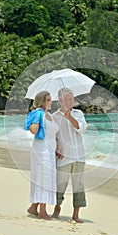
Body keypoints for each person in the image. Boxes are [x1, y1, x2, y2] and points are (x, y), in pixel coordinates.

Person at [52, 88, 87, 223]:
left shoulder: (78, 113)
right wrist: (57, 146)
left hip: (79, 156)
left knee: (79, 186)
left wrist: (69, 117)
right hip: (64, 157)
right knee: (60, 185)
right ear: (60, 101)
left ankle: (76, 214)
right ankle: (57, 208)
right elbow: (52, 135)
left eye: (72, 99)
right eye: (68, 99)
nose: (71, 101)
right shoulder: (54, 116)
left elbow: (81, 129)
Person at [25, 91, 59, 220]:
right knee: (43, 178)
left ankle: (33, 207)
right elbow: (33, 130)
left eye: (50, 99)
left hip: (50, 150)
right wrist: (36, 122)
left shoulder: (48, 114)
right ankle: (42, 212)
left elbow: (52, 133)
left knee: (46, 177)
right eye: (48, 100)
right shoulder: (38, 113)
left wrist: (58, 146)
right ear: (42, 101)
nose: (51, 102)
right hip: (41, 149)